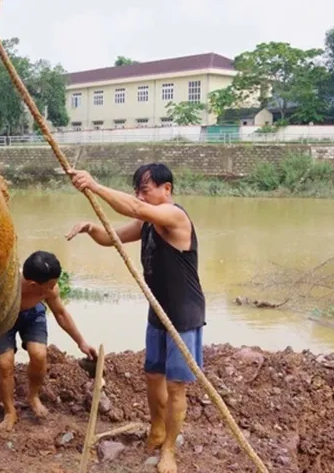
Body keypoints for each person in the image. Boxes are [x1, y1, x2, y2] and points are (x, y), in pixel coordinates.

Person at [65, 163, 205, 473]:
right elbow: (111, 238)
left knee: (177, 386)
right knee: (152, 375)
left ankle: (169, 450)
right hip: (157, 311)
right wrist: (90, 228)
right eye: (137, 190)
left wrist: (95, 185)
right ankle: (156, 428)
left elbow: (135, 208)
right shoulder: (146, 225)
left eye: (145, 189)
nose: (139, 196)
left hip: (183, 315)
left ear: (166, 190)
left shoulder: (174, 216)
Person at [0, 250, 98, 432]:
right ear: (33, 285)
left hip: (33, 315)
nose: (54, 288)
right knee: (4, 363)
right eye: (50, 285)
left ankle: (33, 396)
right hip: (2, 317)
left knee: (39, 354)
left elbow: (61, 314)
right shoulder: (5, 286)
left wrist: (81, 342)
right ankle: (10, 411)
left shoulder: (49, 289)